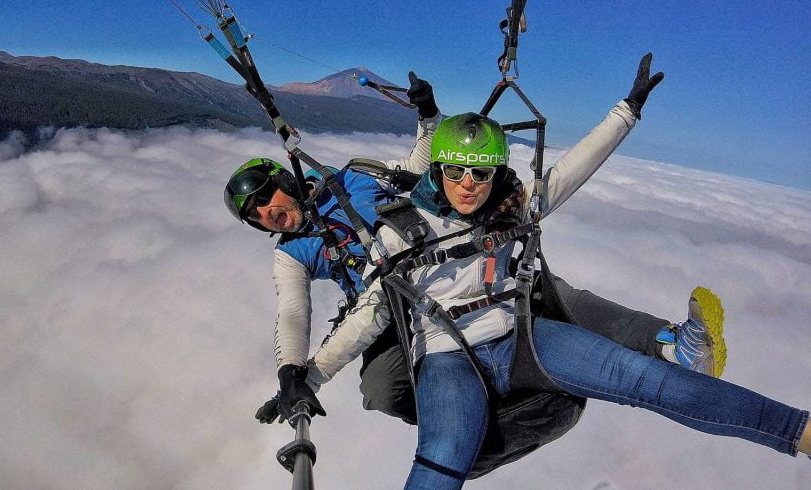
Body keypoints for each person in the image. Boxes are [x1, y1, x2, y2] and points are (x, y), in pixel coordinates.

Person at [293, 82, 810, 487]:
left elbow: (570, 171)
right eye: (456, 172)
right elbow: (372, 313)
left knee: (646, 379)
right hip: (446, 357)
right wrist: (309, 378)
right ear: (438, 171)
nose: (468, 185)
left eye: (481, 174)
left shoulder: (509, 209)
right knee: (441, 464)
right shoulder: (401, 231)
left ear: (496, 174)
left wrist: (625, 112)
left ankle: (798, 431)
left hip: (520, 337)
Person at [224, 60, 726, 432]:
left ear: (284, 180)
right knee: (380, 391)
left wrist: (427, 115)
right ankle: (465, 422)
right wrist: (295, 374)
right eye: (256, 216)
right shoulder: (292, 251)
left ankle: (669, 343)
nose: (268, 212)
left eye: (267, 197)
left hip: (445, 258)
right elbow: (293, 311)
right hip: (390, 307)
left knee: (546, 295)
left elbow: (423, 169)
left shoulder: (353, 178)